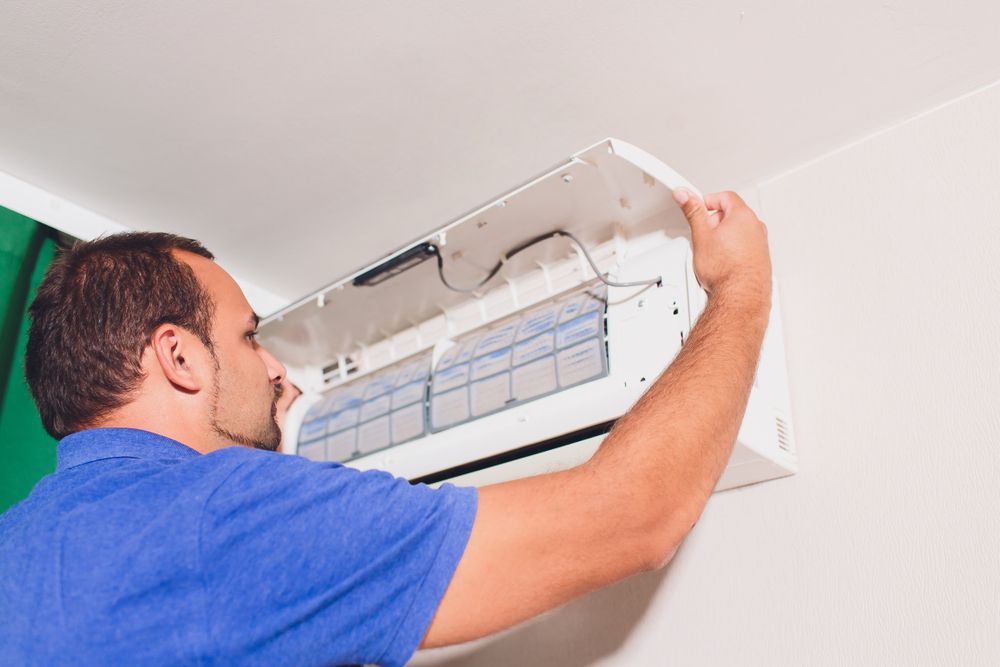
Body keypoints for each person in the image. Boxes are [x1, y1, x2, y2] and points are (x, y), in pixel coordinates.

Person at [0, 189, 771, 666]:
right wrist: (739, 287)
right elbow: (634, 517)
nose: (281, 374)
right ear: (178, 355)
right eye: (247, 337)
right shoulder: (231, 514)